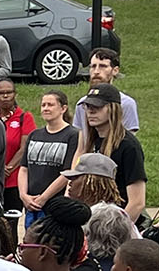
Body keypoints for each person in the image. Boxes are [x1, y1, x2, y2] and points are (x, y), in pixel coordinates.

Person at [55, 84, 146, 222]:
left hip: (116, 226)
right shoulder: (93, 141)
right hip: (93, 221)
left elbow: (137, 203)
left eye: (97, 107)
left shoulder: (128, 146)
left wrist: (116, 231)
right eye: (88, 106)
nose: (90, 111)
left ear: (113, 109)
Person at [16, 91, 77, 226]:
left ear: (63, 108)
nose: (46, 108)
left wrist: (44, 198)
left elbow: (68, 173)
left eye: (50, 105)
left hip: (55, 204)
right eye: (43, 105)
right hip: (31, 205)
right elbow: (24, 168)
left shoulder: (73, 135)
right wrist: (23, 195)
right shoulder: (34, 135)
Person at [72, 49, 140, 134]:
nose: (96, 72)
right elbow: (79, 138)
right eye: (93, 66)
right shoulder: (81, 104)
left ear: (115, 70)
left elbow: (130, 142)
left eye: (102, 66)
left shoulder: (126, 104)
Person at [0, 79, 34, 214]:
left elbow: (24, 148)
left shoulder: (24, 117)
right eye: (1, 93)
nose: (5, 96)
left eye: (9, 92)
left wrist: (7, 169)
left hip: (13, 181)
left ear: (15, 94)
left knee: (11, 222)